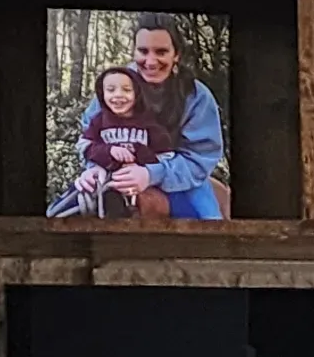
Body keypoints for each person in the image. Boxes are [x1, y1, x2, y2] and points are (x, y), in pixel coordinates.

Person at [55, 15, 225, 221]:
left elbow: (200, 157)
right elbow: (90, 135)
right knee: (59, 212)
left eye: (161, 52)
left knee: (210, 223)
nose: (151, 61)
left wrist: (151, 174)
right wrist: (94, 168)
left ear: (176, 55)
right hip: (113, 173)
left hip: (179, 180)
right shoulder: (115, 84)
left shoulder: (197, 96)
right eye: (143, 51)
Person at [69, 66, 182, 219]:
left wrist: (141, 160)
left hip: (140, 181)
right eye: (110, 90)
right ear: (102, 94)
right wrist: (107, 152)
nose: (118, 96)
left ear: (137, 93)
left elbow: (166, 156)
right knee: (68, 205)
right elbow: (84, 146)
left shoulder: (149, 122)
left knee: (181, 211)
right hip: (103, 178)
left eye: (126, 90)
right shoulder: (99, 120)